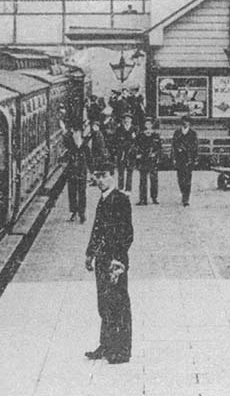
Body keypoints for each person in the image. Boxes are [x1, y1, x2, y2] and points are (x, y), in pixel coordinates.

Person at [84, 161, 134, 364]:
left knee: (119, 304)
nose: (100, 180)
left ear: (112, 176)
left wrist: (118, 261)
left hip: (115, 262)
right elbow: (97, 229)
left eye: (104, 175)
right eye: (97, 176)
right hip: (102, 260)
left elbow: (127, 234)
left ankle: (122, 350)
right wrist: (90, 254)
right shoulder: (103, 199)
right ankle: (106, 345)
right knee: (104, 304)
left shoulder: (120, 199)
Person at [62, 121, 91, 223]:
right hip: (72, 171)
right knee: (72, 192)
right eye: (75, 133)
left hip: (82, 171)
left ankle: (82, 213)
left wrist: (92, 172)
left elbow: (89, 158)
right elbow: (65, 155)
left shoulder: (85, 145)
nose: (76, 135)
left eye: (77, 133)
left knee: (82, 192)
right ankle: (74, 212)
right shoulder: (70, 144)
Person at [172, 116, 199, 206]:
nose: (185, 123)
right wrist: (174, 157)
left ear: (190, 123)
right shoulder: (177, 132)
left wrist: (195, 158)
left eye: (187, 121)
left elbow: (195, 147)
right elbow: (174, 145)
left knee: (188, 178)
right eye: (184, 121)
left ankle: (186, 198)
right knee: (180, 178)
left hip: (189, 158)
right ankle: (183, 192)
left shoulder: (193, 133)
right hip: (179, 158)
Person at [134, 117, 161, 205]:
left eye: (149, 124)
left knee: (154, 179)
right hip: (143, 159)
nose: (148, 126)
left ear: (152, 125)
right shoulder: (140, 135)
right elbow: (136, 146)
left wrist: (155, 154)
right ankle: (143, 199)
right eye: (146, 124)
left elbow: (159, 148)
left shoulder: (155, 135)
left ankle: (154, 197)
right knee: (143, 180)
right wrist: (138, 154)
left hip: (152, 159)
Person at [112, 114, 136, 192]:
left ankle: (128, 188)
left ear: (131, 120)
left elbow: (136, 140)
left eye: (129, 119)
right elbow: (115, 140)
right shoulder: (119, 129)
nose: (127, 120)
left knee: (130, 170)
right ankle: (121, 187)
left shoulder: (134, 129)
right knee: (121, 170)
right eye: (126, 119)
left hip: (130, 151)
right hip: (121, 151)